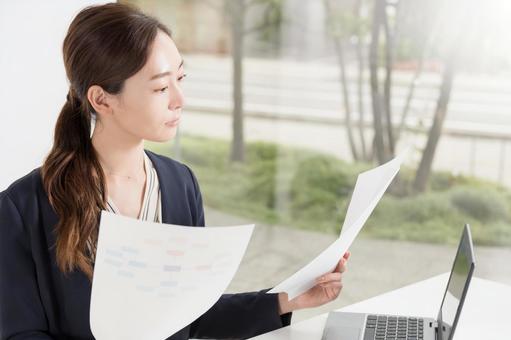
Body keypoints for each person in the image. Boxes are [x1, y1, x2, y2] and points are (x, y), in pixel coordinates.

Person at [0, 3, 350, 339]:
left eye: (181, 78)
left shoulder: (179, 184)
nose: (179, 99)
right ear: (102, 99)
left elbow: (191, 315)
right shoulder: (21, 209)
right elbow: (19, 333)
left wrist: (288, 298)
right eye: (162, 87)